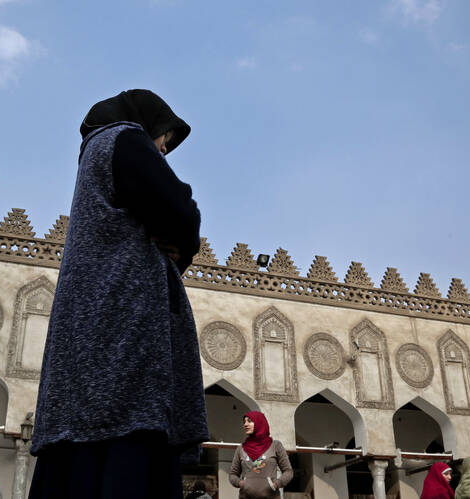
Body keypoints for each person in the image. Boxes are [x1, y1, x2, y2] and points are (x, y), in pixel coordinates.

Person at [28, 89, 209, 499]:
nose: (164, 149)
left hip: (92, 339)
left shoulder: (95, 155)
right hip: (123, 326)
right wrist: (187, 221)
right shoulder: (124, 138)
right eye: (165, 138)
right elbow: (179, 209)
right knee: (130, 436)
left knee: (81, 450)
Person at [229, 411, 293, 499]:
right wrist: (241, 483)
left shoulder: (275, 445)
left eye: (249, 421)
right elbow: (232, 474)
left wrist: (276, 484)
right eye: (244, 422)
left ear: (260, 422)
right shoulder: (241, 448)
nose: (245, 424)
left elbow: (288, 471)